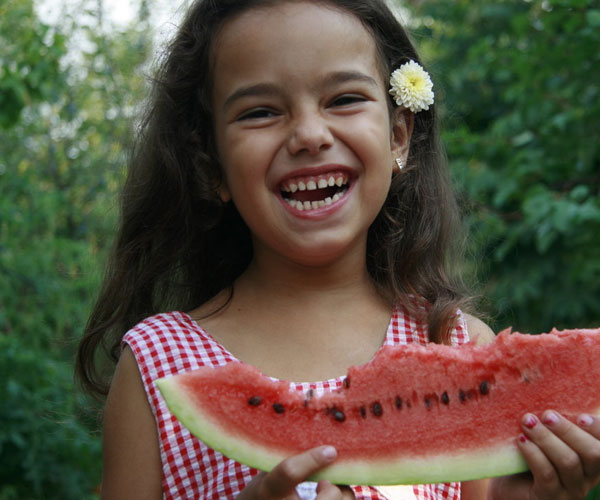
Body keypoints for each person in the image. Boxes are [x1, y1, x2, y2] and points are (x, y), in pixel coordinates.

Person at [75, 0, 600, 499]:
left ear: (398, 135)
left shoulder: (458, 343)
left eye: (344, 99)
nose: (309, 134)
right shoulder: (159, 368)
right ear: (211, 167)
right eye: (260, 112)